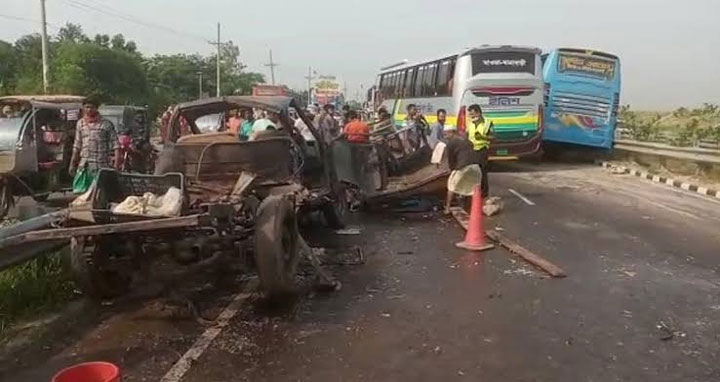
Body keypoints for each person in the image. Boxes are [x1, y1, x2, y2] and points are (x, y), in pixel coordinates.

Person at [69, 97, 120, 194]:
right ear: (83, 108)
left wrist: (116, 166)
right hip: (84, 165)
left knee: (99, 194)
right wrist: (72, 163)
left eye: (91, 107)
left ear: (97, 108)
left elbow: (116, 146)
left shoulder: (106, 124)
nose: (89, 110)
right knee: (82, 193)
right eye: (87, 107)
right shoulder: (80, 124)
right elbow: (77, 145)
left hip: (100, 166)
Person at [443, 124, 482, 214]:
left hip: (463, 166)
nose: (445, 137)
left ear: (451, 133)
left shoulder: (451, 143)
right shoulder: (467, 140)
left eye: (445, 134)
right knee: (474, 188)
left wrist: (452, 170)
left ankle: (447, 208)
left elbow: (451, 159)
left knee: (451, 185)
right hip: (476, 166)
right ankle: (476, 209)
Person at [466, 104, 493, 198]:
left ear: (479, 113)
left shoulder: (487, 123)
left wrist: (483, 137)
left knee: (482, 172)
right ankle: (474, 192)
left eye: (473, 114)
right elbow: (468, 135)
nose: (471, 117)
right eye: (470, 115)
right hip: (472, 150)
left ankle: (484, 193)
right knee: (472, 172)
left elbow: (493, 137)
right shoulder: (470, 123)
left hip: (482, 150)